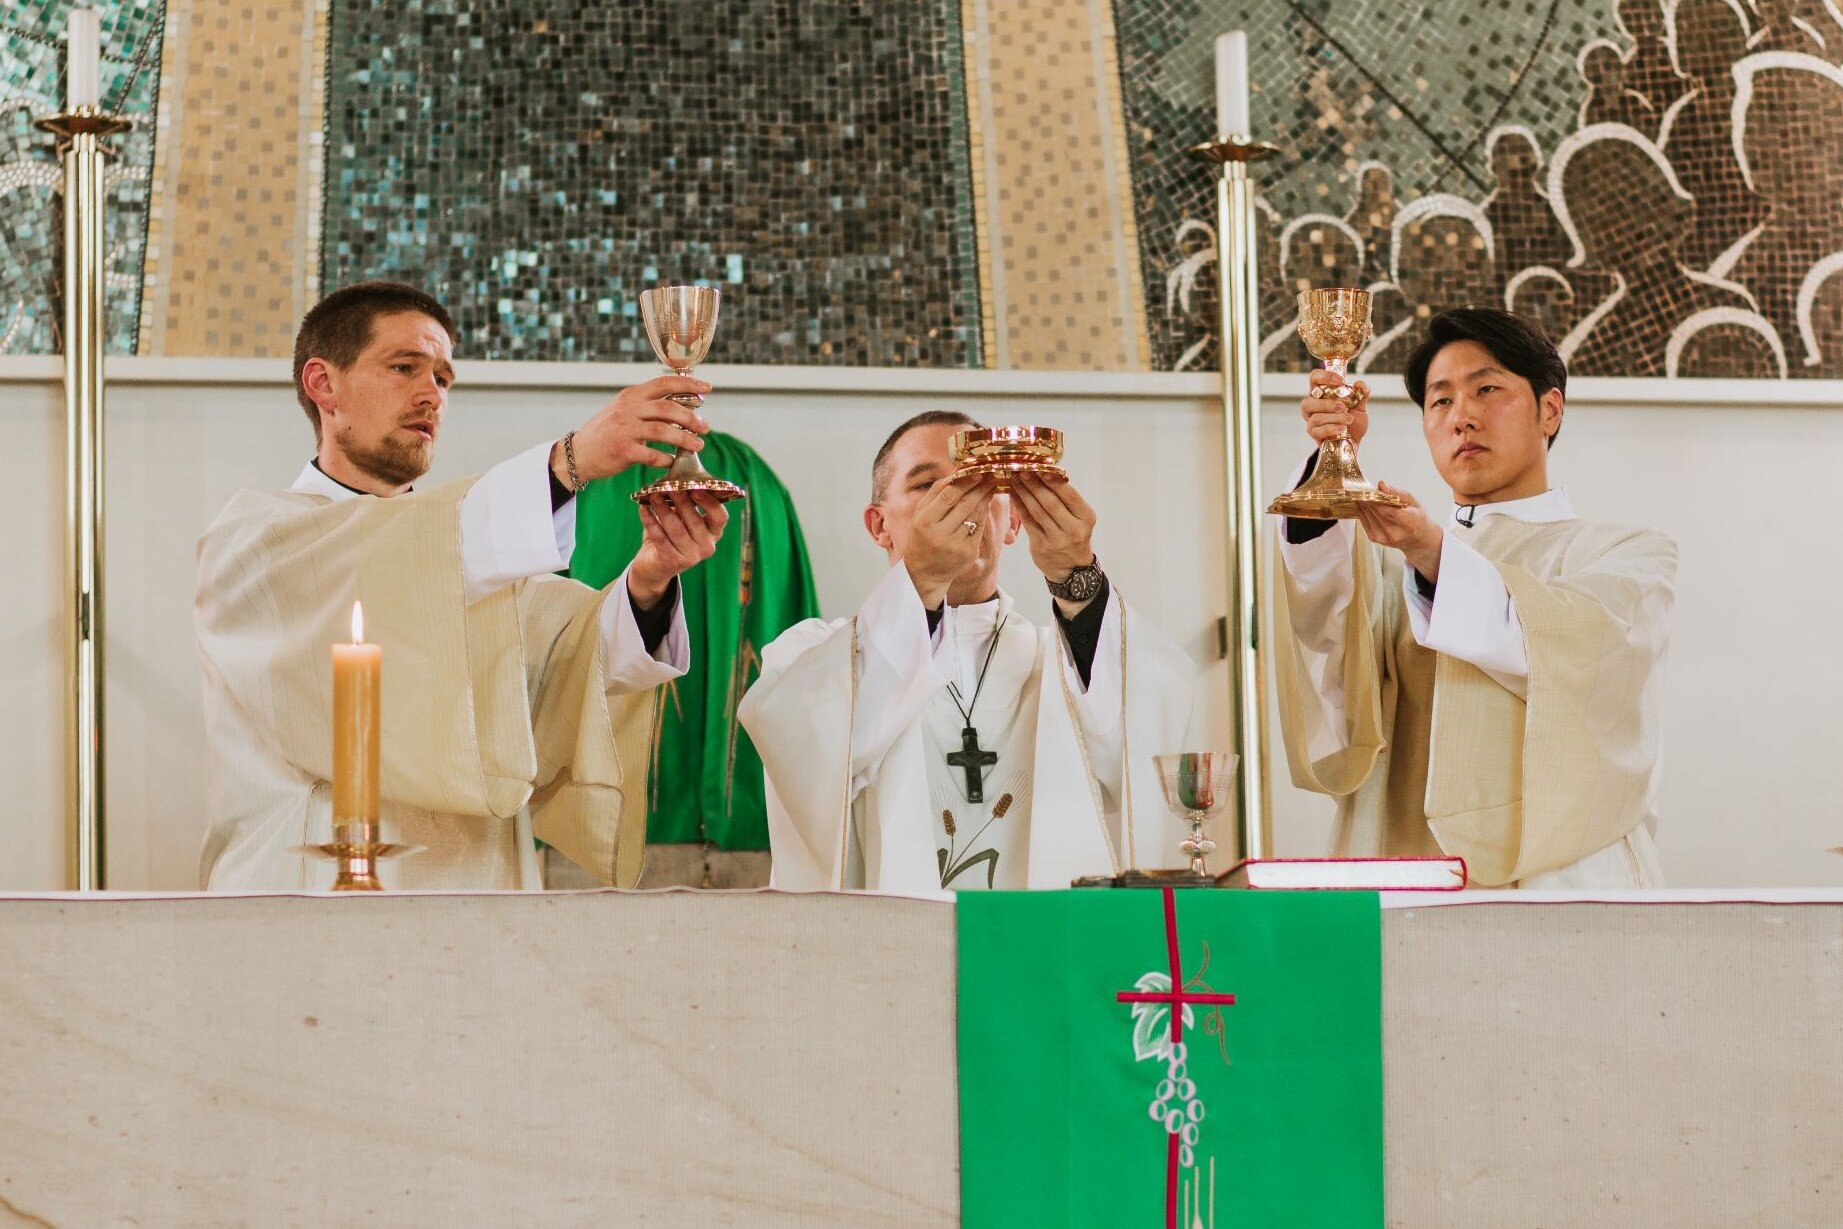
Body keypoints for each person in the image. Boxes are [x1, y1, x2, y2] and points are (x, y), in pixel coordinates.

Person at [196, 280, 728, 890]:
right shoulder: (257, 541)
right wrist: (570, 460)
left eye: (444, 379)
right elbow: (378, 566)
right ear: (323, 384)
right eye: (404, 367)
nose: (431, 395)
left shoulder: (473, 563)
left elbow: (578, 664)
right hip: (307, 891)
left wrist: (652, 578)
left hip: (475, 892)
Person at [1271, 307, 1676, 888]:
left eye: (1487, 389)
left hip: (1560, 883)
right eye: (1439, 401)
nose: (1462, 416)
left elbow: (1567, 651)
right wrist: (1331, 469)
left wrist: (1434, 555)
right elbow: (1324, 638)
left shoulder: (1627, 556)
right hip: (1407, 868)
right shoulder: (1396, 566)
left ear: (1550, 410)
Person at [739, 411, 1197, 894]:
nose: (959, 503)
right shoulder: (808, 653)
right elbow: (806, 751)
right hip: (887, 953)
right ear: (879, 526)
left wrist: (1076, 578)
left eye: (979, 484)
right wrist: (921, 581)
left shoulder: (1063, 659)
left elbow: (1145, 730)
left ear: (1014, 520)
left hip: (1041, 949)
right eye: (926, 485)